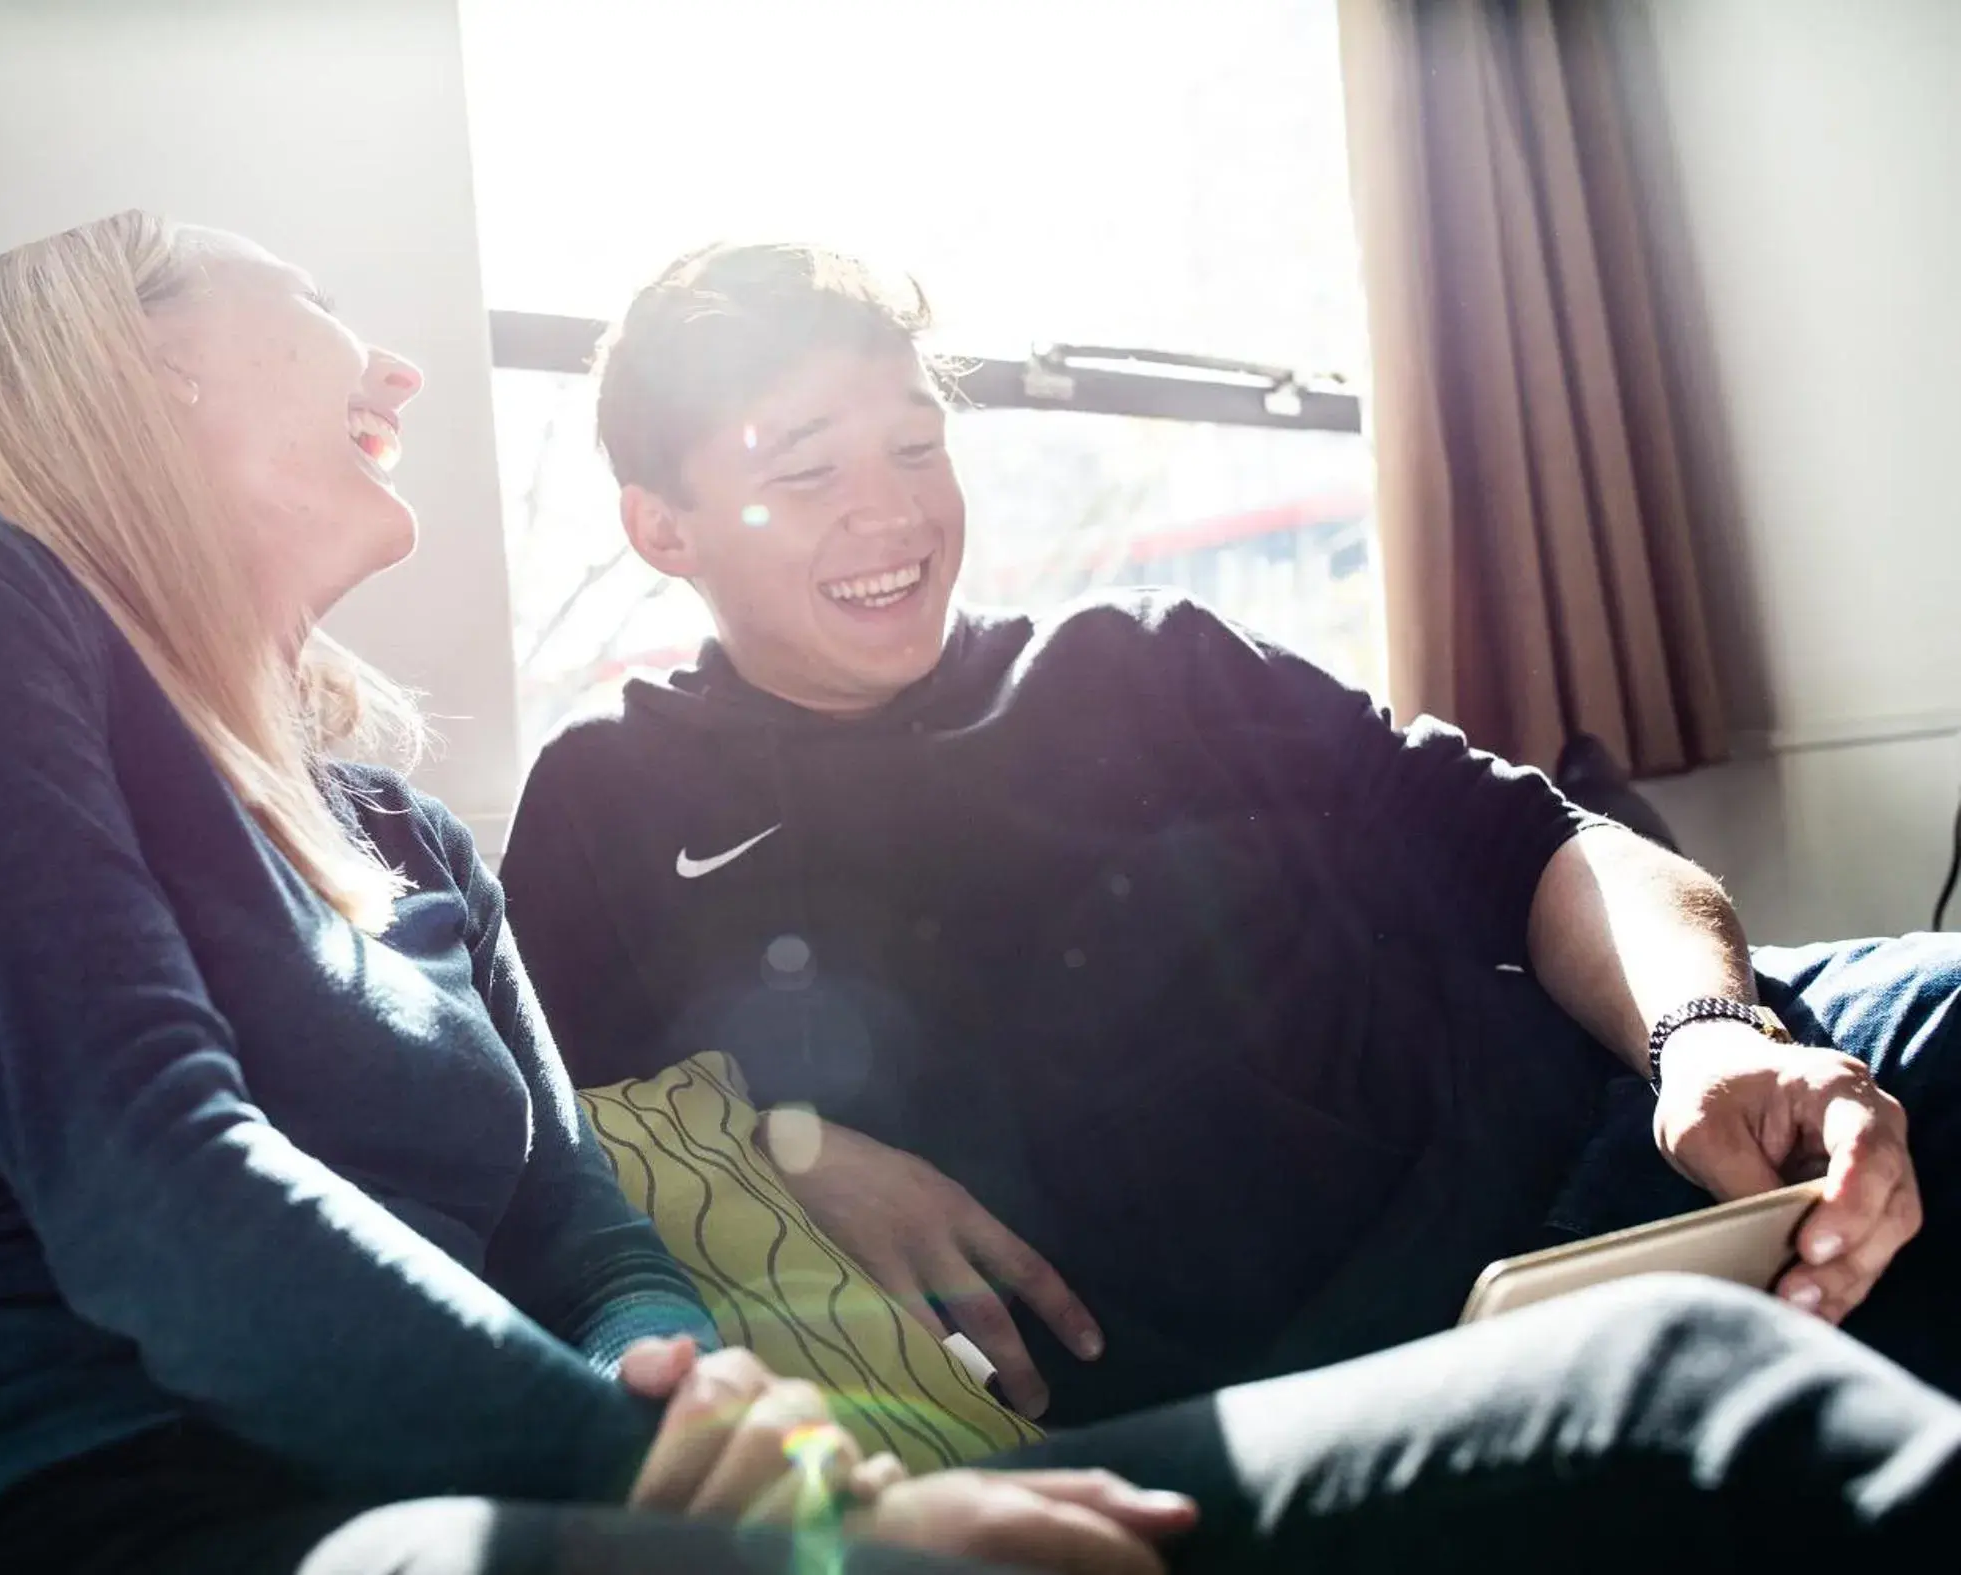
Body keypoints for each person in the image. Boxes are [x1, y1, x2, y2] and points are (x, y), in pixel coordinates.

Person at [0, 213, 1960, 1575]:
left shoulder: (410, 840)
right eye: (321, 309)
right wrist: (788, 1492)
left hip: (579, 1495)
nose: (398, 366)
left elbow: (586, 1239)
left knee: (1703, 1324)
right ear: (124, 361)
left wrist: (732, 1437)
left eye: (910, 441)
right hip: (135, 1524)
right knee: (1672, 1392)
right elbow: (163, 1190)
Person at [498, 241, 1961, 1426]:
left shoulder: (1145, 658)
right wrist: (780, 1141)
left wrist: (1710, 1031)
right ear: (662, 527)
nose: (892, 514)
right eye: (806, 472)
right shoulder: (610, 803)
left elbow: (1547, 843)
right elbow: (539, 1153)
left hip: (1629, 1121)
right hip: (1372, 1360)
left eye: (915, 444)